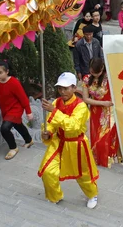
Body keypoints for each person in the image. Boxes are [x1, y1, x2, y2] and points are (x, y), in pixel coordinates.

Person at [39, 72, 99, 208]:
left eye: (66, 88)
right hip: (59, 142)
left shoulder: (81, 106)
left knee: (83, 174)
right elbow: (51, 122)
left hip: (76, 144)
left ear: (73, 88)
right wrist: (48, 131)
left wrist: (55, 111)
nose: (62, 91)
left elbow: (73, 126)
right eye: (60, 88)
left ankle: (92, 194)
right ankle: (55, 196)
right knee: (47, 170)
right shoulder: (56, 102)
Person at [0, 60, 34, 159]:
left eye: (0, 73)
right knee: (18, 125)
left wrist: (28, 112)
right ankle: (29, 140)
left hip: (15, 109)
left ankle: (13, 148)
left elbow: (23, 98)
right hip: (5, 109)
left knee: (4, 128)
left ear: (7, 71)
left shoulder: (14, 83)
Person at [81, 58, 118, 168]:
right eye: (92, 72)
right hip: (96, 111)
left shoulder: (109, 78)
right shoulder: (87, 79)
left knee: (106, 137)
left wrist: (107, 104)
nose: (95, 75)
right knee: (96, 137)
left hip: (108, 112)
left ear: (102, 69)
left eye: (97, 73)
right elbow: (86, 99)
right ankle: (97, 159)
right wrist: (102, 103)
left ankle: (107, 159)